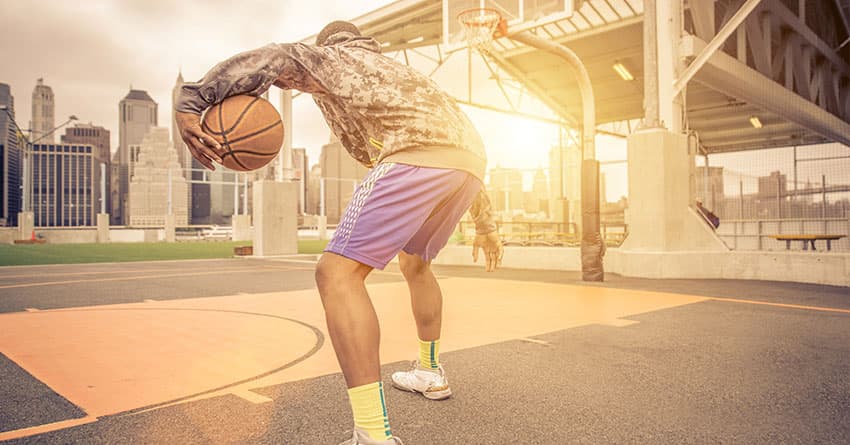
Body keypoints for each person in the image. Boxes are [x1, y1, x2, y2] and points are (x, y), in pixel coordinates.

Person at [175, 21, 503, 445]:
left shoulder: (341, 59)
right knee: (416, 263)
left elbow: (278, 57)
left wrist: (192, 99)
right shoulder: (400, 76)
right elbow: (457, 146)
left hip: (417, 154)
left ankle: (372, 434)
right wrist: (486, 223)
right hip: (467, 166)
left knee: (336, 273)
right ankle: (429, 371)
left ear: (330, 45)